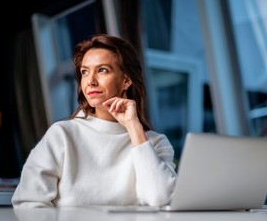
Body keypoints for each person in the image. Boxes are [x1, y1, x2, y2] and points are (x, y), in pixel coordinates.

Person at [12, 34, 177, 208]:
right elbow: (28, 203)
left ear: (126, 80)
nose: (90, 81)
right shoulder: (62, 134)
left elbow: (159, 199)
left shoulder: (155, 142)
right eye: (85, 72)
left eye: (102, 70)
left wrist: (134, 128)